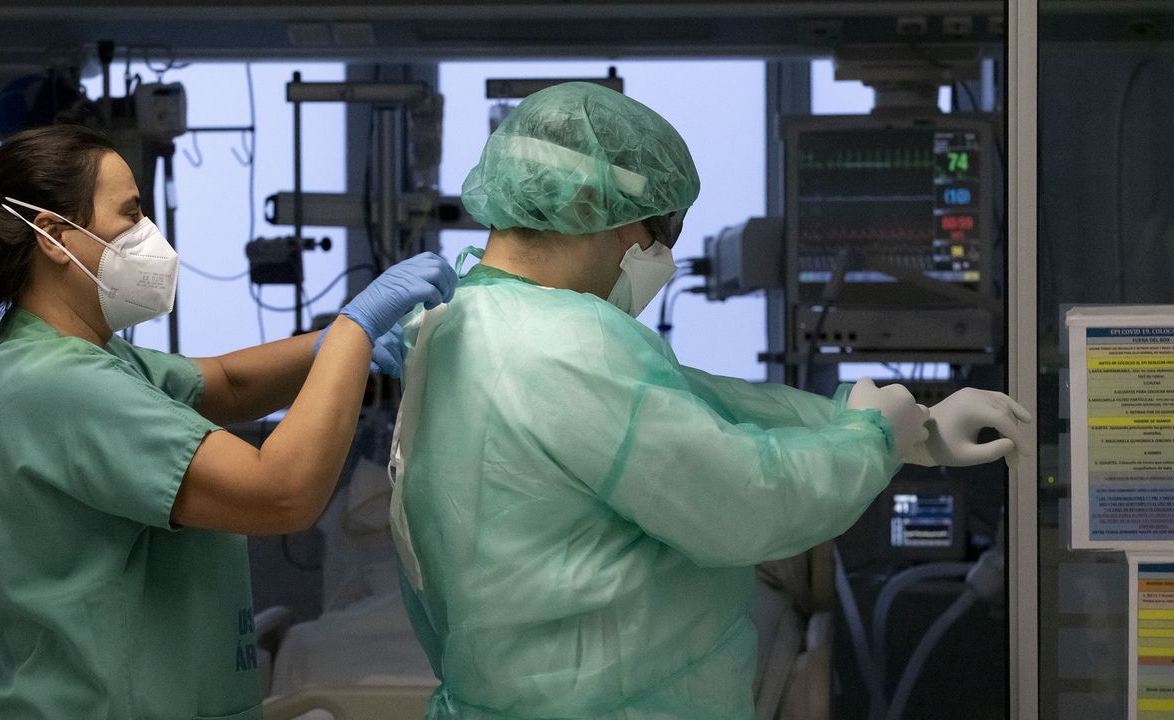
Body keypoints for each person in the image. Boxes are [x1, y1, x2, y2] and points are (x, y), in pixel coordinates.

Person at [387, 82, 1031, 720]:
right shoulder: (567, 345)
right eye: (660, 231)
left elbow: (697, 406)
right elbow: (745, 498)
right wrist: (872, 440)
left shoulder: (460, 325)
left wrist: (905, 426)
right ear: (592, 205)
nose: (662, 256)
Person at [0, 124, 456, 720]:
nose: (149, 237)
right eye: (131, 213)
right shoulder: (66, 386)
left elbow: (224, 382)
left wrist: (328, 345)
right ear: (53, 236)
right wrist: (354, 330)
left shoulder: (65, 355)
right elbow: (280, 495)